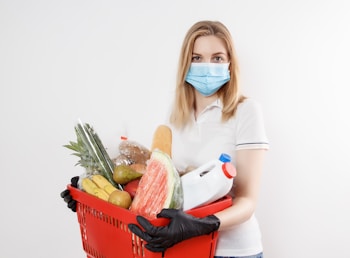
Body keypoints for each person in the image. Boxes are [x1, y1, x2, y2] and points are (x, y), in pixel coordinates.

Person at [61, 20, 269, 258]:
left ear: (230, 63)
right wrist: (92, 194)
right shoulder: (174, 112)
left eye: (218, 58)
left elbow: (247, 201)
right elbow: (161, 183)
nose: (207, 66)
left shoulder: (246, 111)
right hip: (181, 249)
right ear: (186, 63)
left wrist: (203, 224)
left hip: (231, 251)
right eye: (197, 58)